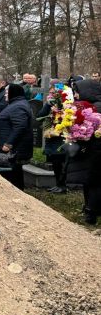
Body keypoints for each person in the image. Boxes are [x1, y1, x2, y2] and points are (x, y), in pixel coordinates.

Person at [65, 79, 101, 224]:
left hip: (95, 151)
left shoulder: (94, 109)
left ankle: (92, 212)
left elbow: (91, 130)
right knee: (91, 182)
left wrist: (80, 135)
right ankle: (89, 208)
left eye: (78, 92)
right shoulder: (90, 106)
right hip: (93, 150)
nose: (76, 95)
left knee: (94, 182)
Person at [0, 84, 33, 189]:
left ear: (13, 93)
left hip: (14, 149)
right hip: (13, 148)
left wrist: (8, 143)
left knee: (14, 175)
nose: (5, 94)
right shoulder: (16, 104)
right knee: (14, 174)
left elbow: (20, 126)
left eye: (6, 92)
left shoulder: (19, 106)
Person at [38, 81, 67, 193]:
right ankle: (57, 184)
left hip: (61, 137)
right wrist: (47, 105)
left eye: (54, 93)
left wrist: (58, 112)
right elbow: (40, 115)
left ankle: (62, 185)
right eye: (50, 93)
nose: (52, 95)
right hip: (51, 135)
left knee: (60, 161)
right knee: (55, 162)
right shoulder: (49, 103)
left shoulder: (66, 104)